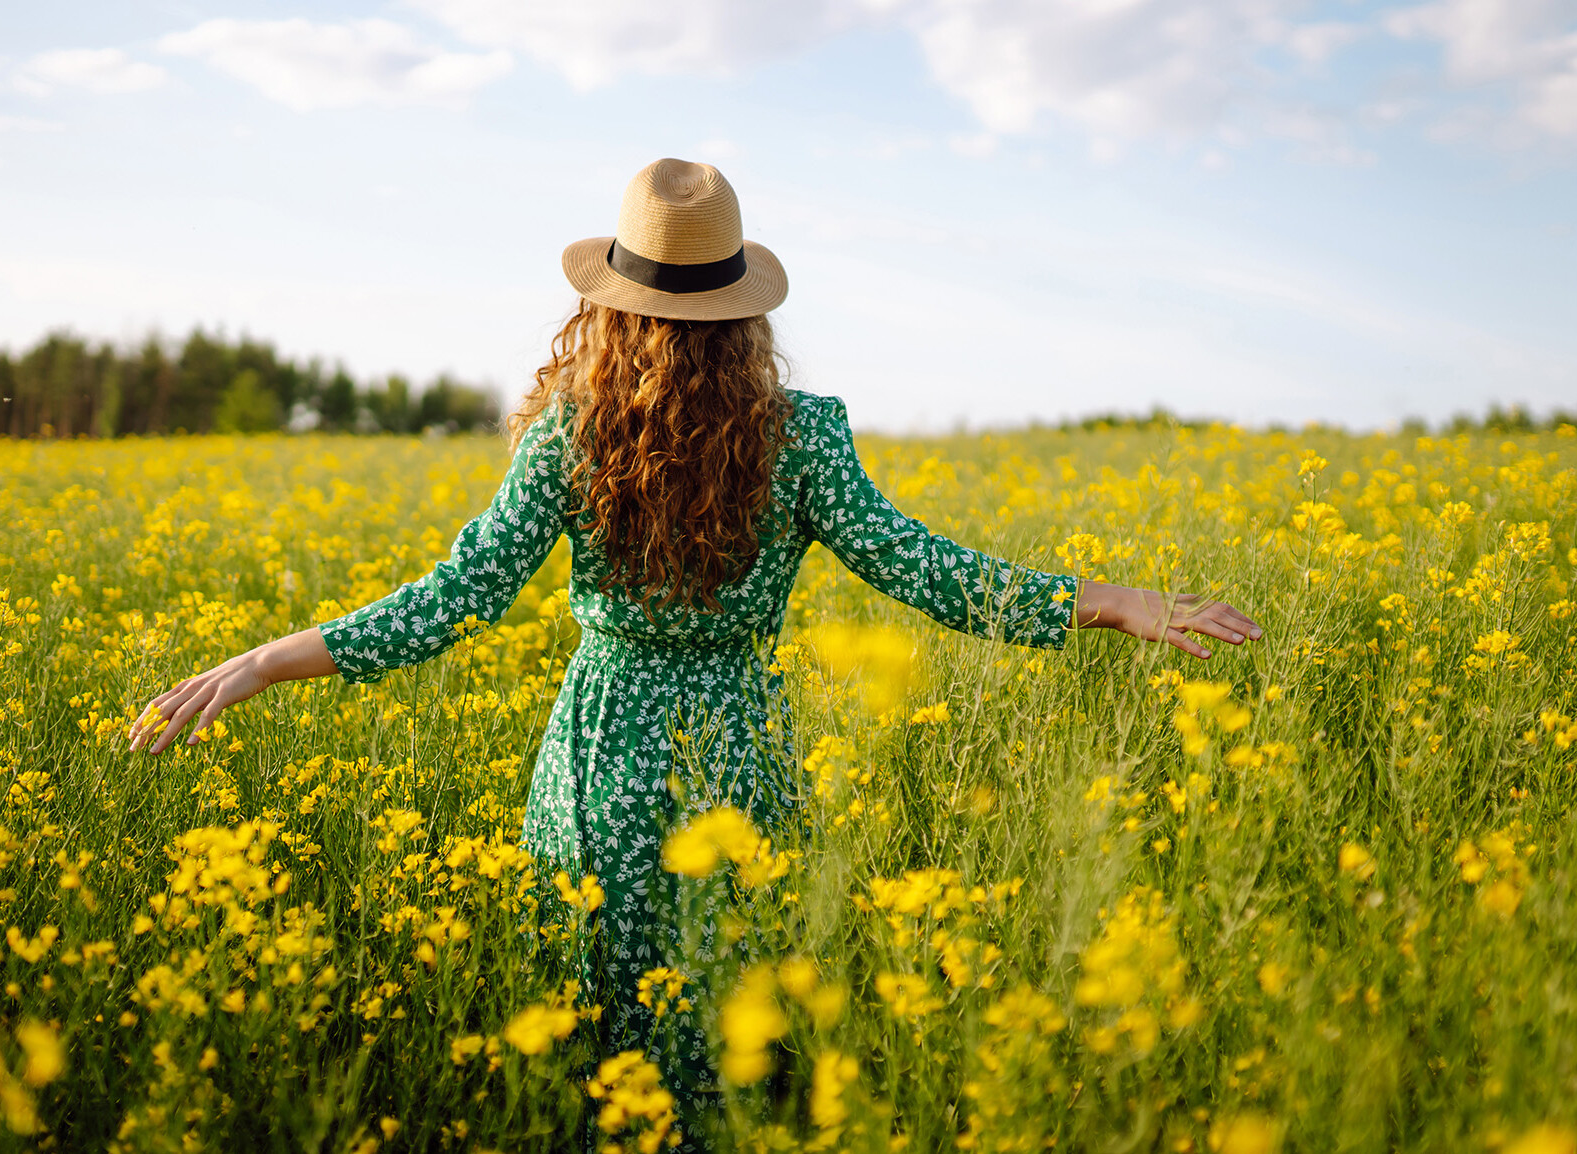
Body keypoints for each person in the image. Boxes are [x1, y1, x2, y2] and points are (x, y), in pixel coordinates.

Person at [128, 157, 1262, 1129]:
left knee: (605, 1054)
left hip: (600, 760)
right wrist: (1103, 599)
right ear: (745, 310)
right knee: (730, 1034)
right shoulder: (802, 439)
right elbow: (930, 570)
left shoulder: (571, 438)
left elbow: (454, 596)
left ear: (609, 308)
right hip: (738, 766)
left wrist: (267, 659)